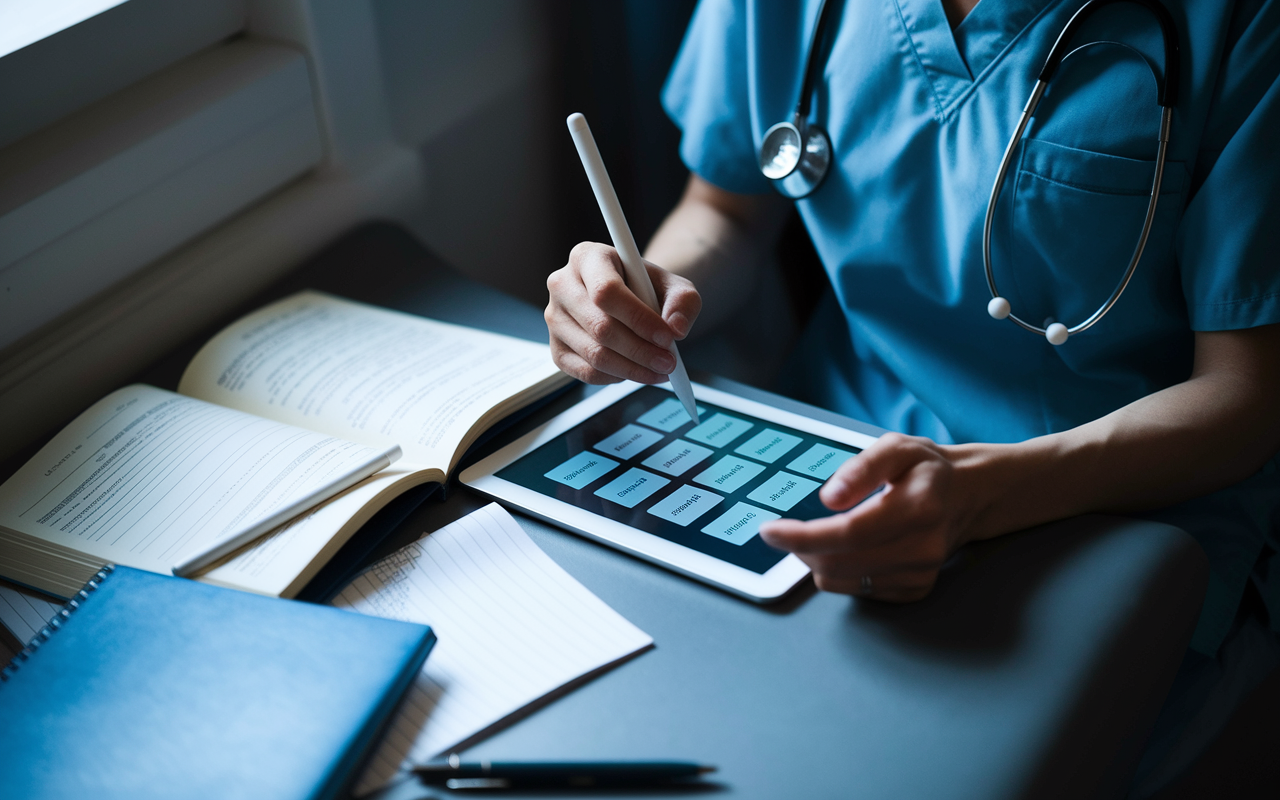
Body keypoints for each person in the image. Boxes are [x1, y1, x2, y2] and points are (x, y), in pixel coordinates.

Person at [544, 0, 1280, 793]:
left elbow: (1246, 396)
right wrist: (642, 298)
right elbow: (724, 212)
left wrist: (981, 496)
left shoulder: (1239, 22)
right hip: (828, 457)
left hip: (1115, 516)